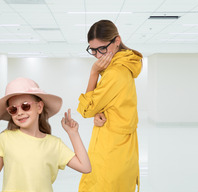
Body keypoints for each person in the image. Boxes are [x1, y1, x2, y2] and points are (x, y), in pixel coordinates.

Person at [0, 77, 91, 192]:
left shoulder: (54, 144)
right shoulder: (5, 138)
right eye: (13, 109)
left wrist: (73, 134)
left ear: (39, 107)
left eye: (25, 106)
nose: (19, 113)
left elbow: (85, 167)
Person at [77, 20, 143, 192]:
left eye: (102, 49)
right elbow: (111, 103)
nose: (98, 55)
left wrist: (94, 73)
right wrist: (100, 111)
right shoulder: (124, 66)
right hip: (122, 150)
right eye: (93, 50)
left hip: (110, 153)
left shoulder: (114, 72)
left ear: (117, 41)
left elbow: (86, 109)